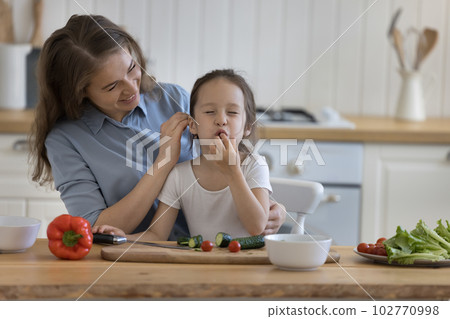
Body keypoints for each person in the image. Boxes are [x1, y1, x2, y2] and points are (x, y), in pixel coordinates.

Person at [29, 14, 285, 240]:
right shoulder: (65, 139)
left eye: (132, 68)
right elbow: (95, 228)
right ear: (78, 93)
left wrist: (271, 209)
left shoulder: (175, 99)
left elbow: (225, 174)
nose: (132, 88)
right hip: (136, 257)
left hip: (210, 250)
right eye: (112, 86)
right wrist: (164, 162)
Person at [94, 69, 271, 241]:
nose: (221, 120)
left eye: (232, 112)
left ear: (248, 126)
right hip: (200, 267)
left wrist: (233, 173)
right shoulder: (179, 176)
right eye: (210, 112)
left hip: (248, 267)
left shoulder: (255, 166)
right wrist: (123, 238)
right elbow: (157, 235)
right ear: (193, 125)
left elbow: (257, 227)